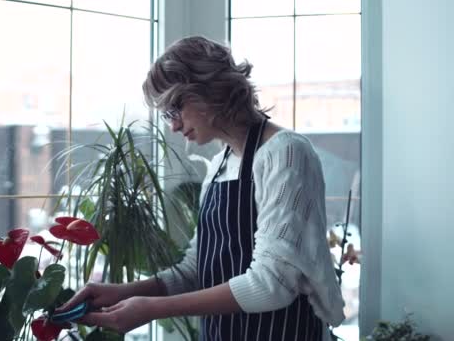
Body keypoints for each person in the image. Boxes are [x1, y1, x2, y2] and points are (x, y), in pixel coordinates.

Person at [57, 36, 345, 340]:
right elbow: (197, 269)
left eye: (173, 110)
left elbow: (271, 284)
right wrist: (125, 291)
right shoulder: (221, 164)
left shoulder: (285, 152)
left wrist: (152, 308)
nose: (173, 126)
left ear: (205, 90)